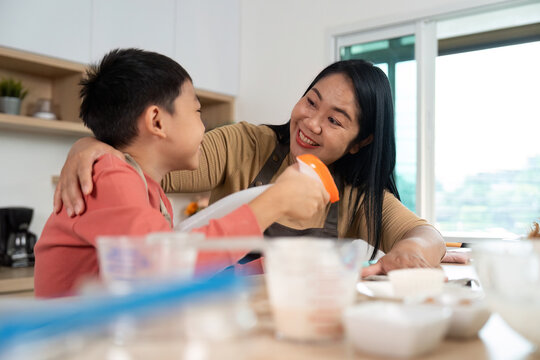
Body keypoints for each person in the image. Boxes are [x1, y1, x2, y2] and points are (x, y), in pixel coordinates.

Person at [53, 59, 446, 277]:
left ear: (361, 142)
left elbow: (425, 233)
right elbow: (154, 157)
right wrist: (95, 145)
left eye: (335, 120)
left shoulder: (359, 195)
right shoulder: (246, 145)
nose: (311, 123)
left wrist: (410, 252)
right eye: (311, 102)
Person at [34, 48, 329, 298]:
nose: (204, 127)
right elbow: (168, 267)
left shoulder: (144, 186)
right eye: (197, 112)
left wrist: (274, 265)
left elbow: (187, 270)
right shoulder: (111, 176)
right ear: (157, 122)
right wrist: (275, 201)